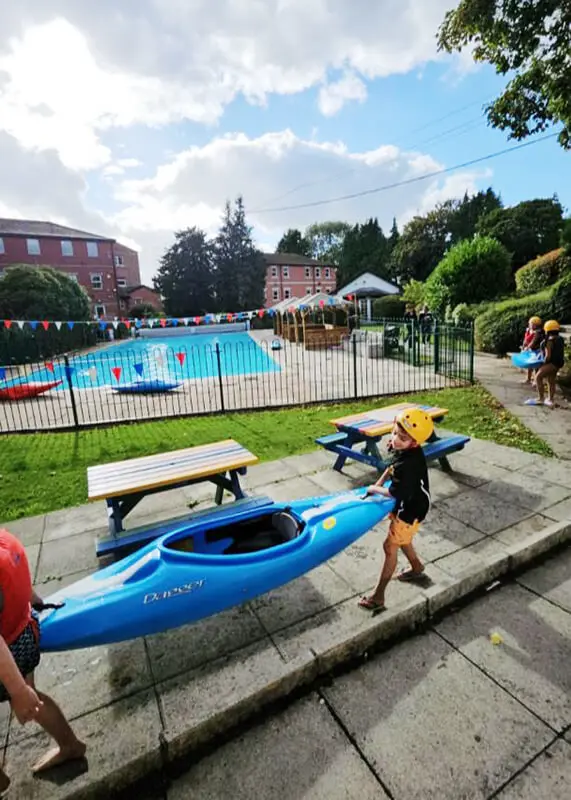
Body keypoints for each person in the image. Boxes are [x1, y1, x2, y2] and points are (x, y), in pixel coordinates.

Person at [0, 529, 86, 795]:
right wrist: (36, 600)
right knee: (32, 699)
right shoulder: (4, 540)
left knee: (28, 699)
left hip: (8, 650)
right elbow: (17, 578)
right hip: (24, 630)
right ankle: (70, 744)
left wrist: (17, 690)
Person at [358, 408, 432, 614]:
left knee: (390, 547)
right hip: (412, 506)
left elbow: (393, 492)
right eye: (394, 433)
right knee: (402, 539)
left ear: (415, 442)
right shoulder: (406, 450)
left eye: (402, 437)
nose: (395, 439)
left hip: (410, 510)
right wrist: (378, 481)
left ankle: (378, 596)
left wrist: (374, 488)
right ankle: (417, 568)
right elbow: (391, 467)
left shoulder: (408, 465)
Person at [525, 320, 565, 408]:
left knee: (538, 377)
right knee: (551, 381)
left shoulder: (549, 341)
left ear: (547, 329)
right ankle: (550, 399)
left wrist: (542, 363)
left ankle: (541, 398)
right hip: (558, 364)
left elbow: (548, 356)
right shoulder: (560, 339)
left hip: (551, 363)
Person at [521, 316, 544, 385]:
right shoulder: (529, 330)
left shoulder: (538, 332)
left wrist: (527, 347)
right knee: (529, 365)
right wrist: (524, 346)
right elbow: (526, 339)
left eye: (531, 324)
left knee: (536, 366)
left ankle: (536, 381)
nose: (530, 325)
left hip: (537, 350)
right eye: (530, 323)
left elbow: (533, 341)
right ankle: (528, 379)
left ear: (536, 325)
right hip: (531, 350)